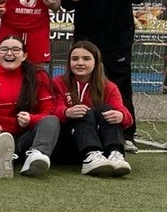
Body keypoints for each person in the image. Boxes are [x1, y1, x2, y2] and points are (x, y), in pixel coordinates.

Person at [61, 0, 149, 152]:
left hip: (118, 36)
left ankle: (126, 134)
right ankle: (80, 131)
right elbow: (64, 0)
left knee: (120, 85)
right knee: (81, 84)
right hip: (86, 40)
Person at [0, 34, 59, 178]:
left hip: (25, 136)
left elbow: (49, 111)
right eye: (4, 49)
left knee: (52, 120)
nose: (9, 53)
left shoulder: (38, 77)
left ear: (24, 56)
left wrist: (32, 119)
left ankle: (36, 156)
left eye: (15, 50)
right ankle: (2, 163)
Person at [52, 40, 133, 176]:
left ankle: (115, 154)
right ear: (69, 62)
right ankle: (90, 155)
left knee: (107, 110)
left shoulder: (109, 87)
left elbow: (127, 117)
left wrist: (121, 116)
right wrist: (67, 112)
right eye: (75, 59)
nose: (80, 63)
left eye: (86, 59)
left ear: (96, 62)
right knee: (83, 112)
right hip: (67, 143)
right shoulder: (58, 83)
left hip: (101, 143)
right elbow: (51, 111)